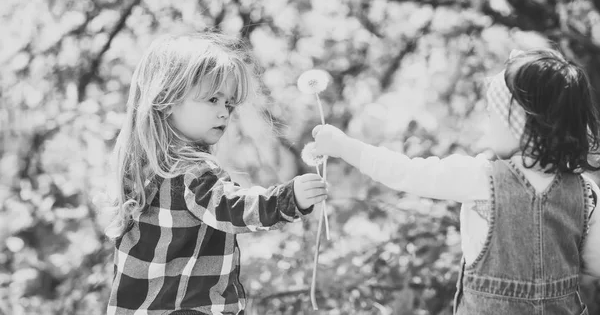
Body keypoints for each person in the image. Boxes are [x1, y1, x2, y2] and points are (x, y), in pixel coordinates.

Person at [312, 49, 600, 314]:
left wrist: (344, 147)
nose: (489, 126)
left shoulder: (480, 178)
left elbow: (405, 172)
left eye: (492, 116)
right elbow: (595, 262)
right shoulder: (586, 192)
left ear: (518, 121)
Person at [104, 32, 327, 315]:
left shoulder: (143, 170)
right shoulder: (192, 172)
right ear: (167, 99)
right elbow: (232, 208)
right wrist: (288, 198)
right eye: (213, 99)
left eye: (229, 103)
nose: (224, 112)